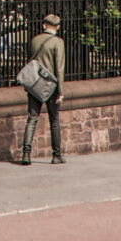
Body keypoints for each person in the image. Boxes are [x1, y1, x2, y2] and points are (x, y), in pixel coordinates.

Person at [16, 12, 70, 165]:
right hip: (50, 86)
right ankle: (56, 155)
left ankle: (26, 154)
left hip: (34, 84)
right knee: (54, 120)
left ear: (44, 25)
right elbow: (59, 68)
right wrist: (61, 91)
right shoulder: (57, 42)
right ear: (57, 27)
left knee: (32, 118)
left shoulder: (35, 40)